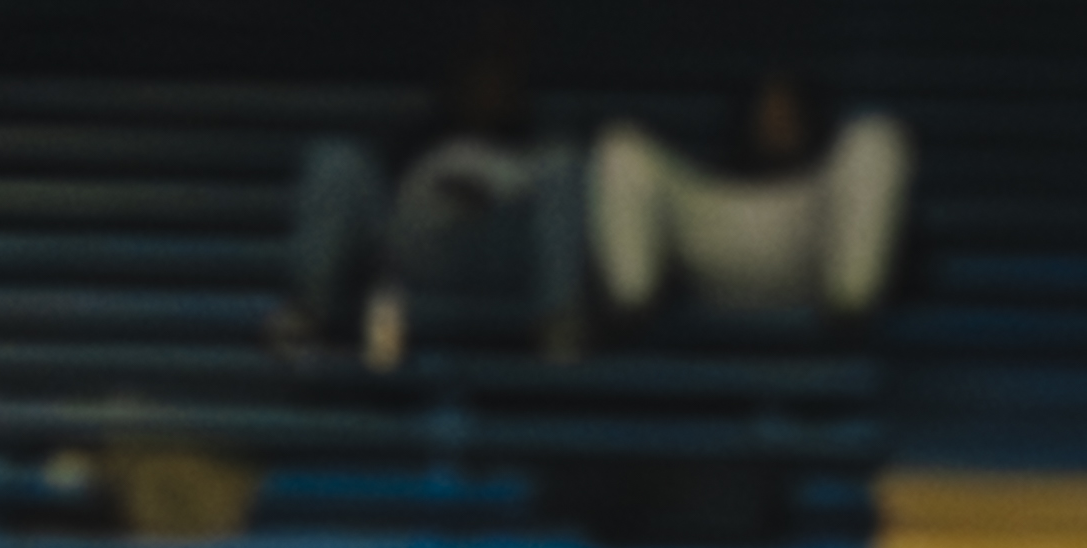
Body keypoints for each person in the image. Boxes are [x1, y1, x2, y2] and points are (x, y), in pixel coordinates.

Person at [279, 50, 581, 368]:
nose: (488, 89)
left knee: (563, 164)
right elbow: (382, 209)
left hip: (497, 258)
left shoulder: (538, 144)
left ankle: (559, 325)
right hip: (413, 263)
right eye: (478, 77)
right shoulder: (416, 133)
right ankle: (306, 313)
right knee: (335, 159)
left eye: (498, 79)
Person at [585, 66, 908, 327]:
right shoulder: (713, 177)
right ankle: (631, 303)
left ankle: (851, 304)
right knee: (621, 144)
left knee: (876, 134)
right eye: (768, 107)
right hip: (719, 237)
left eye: (787, 109)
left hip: (808, 251)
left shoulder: (829, 176)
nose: (777, 119)